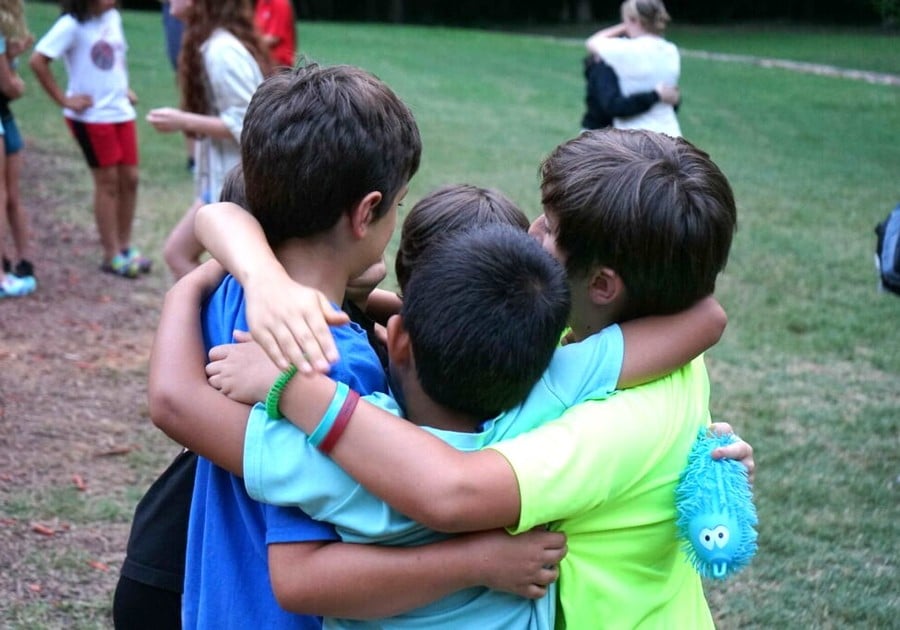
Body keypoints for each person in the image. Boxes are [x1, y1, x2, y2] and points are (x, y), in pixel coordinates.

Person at [203, 128, 750, 628]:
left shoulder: (608, 424)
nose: (532, 231)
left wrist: (292, 385)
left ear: (604, 285)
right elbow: (710, 317)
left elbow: (449, 490)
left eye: (551, 228)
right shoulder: (596, 347)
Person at [149, 63, 566, 628]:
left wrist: (202, 279)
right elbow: (307, 571)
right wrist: (476, 563)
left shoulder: (235, 294)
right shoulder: (328, 366)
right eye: (398, 202)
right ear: (367, 211)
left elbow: (218, 217)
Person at [147, 0, 270, 280]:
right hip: (221, 182)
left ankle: (222, 319)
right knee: (180, 254)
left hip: (237, 185)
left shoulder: (222, 52)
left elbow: (248, 122)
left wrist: (183, 121)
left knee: (183, 255)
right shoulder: (210, 45)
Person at [30, 0, 148, 278]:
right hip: (92, 117)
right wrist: (64, 99)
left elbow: (115, 58)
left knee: (129, 179)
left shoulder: (113, 18)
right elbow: (38, 61)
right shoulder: (71, 25)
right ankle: (111, 255)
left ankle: (125, 245)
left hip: (120, 112)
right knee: (107, 183)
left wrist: (124, 87)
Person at [585, 0, 681, 136]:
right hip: (670, 134)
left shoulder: (625, 49)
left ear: (633, 20)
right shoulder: (671, 50)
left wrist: (624, 26)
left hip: (634, 137)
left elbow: (592, 42)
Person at [0, 30, 31, 297]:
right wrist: (19, 84)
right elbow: (9, 85)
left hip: (5, 113)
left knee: (11, 194)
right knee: (3, 193)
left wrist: (10, 55)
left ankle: (22, 262)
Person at [581, 54, 678, 131]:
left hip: (636, 132)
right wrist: (655, 96)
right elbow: (613, 106)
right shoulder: (604, 69)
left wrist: (671, 99)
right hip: (600, 134)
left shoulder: (640, 69)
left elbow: (670, 104)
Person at [255, 0, 296, 67]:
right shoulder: (261, 2)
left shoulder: (279, 3)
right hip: (265, 61)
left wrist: (247, 43)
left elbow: (274, 38)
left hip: (279, 66)